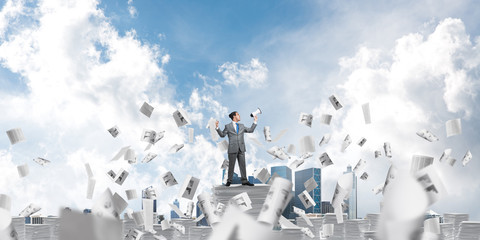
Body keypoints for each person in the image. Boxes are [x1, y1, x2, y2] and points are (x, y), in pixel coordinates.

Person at [216, 111, 257, 186]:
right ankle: (229, 181)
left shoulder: (242, 126)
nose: (239, 116)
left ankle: (244, 181)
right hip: (232, 148)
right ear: (234, 116)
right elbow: (222, 135)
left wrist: (255, 121)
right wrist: (217, 127)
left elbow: (251, 130)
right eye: (238, 114)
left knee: (243, 165)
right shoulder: (228, 126)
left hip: (241, 148)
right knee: (231, 165)